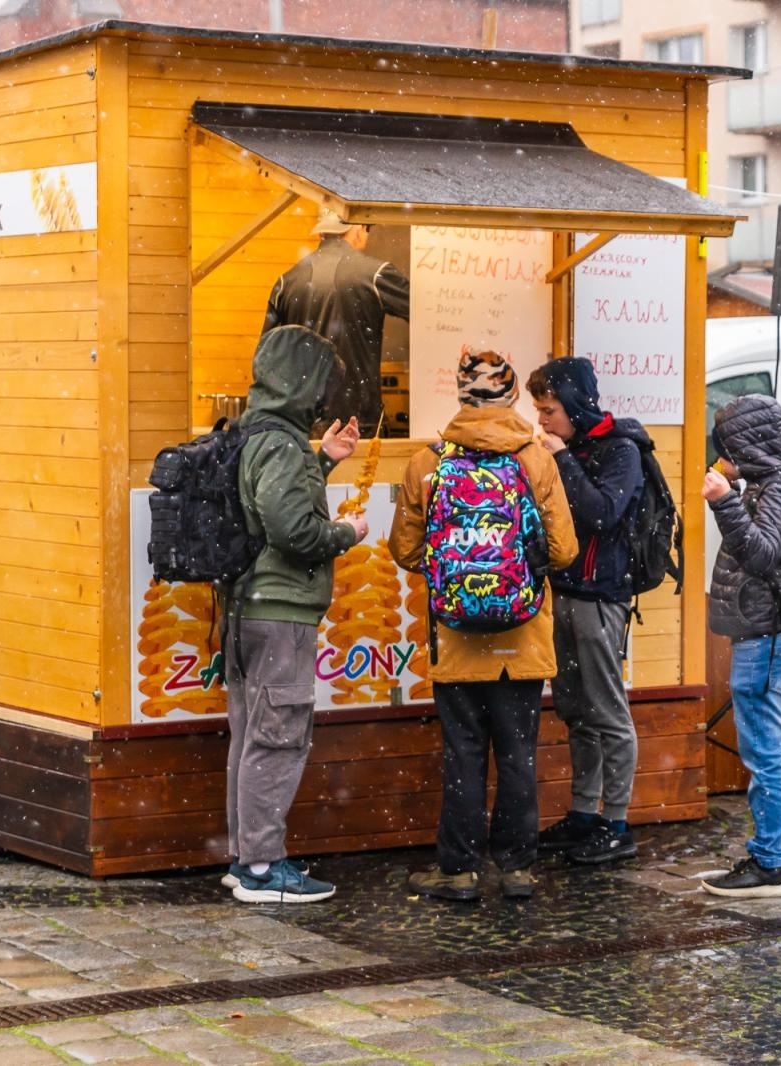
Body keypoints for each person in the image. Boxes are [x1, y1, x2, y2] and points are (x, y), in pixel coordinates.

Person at [391, 347, 577, 902]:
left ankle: (459, 870)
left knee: (463, 753)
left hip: (455, 638)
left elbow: (405, 550)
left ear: (461, 396)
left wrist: (455, 566)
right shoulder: (535, 460)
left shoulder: (429, 464)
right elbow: (564, 551)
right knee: (518, 752)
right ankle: (517, 867)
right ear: (513, 396)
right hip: (520, 638)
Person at [224, 325, 368, 904]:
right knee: (277, 736)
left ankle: (245, 858)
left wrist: (323, 462)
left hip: (246, 608)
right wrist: (345, 533)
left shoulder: (256, 433)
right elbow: (289, 528)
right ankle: (263, 868)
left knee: (250, 733)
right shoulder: (280, 444)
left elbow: (268, 505)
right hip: (279, 611)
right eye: (321, 380)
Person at [527, 358, 644, 865]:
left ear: (573, 405)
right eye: (537, 410)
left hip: (602, 599)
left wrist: (562, 461)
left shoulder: (622, 450)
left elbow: (600, 513)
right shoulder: (568, 448)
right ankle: (582, 815)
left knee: (608, 711)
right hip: (566, 594)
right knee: (575, 710)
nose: (542, 421)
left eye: (548, 409)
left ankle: (617, 823)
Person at [701, 395, 781, 899]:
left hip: (763, 639)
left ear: (747, 444)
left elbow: (763, 555)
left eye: (729, 445)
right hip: (772, 635)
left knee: (765, 751)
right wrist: (739, 489)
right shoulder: (780, 484)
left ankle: (767, 864)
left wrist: (725, 499)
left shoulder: (778, 492)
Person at [260, 205, 409, 432]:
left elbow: (266, 358)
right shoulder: (375, 275)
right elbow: (426, 314)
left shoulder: (286, 282)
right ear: (357, 227)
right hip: (357, 425)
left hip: (301, 427)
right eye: (367, 227)